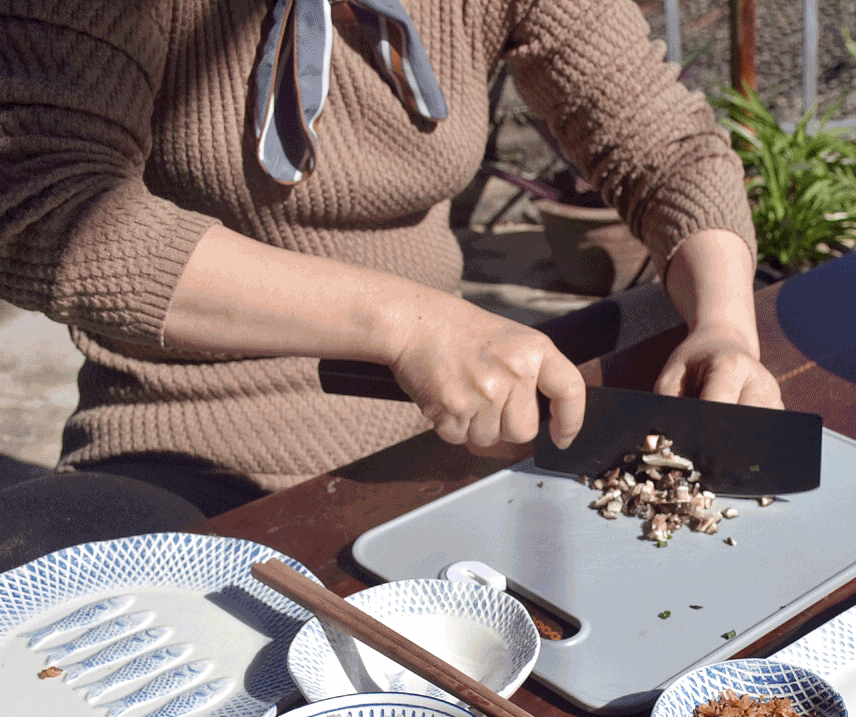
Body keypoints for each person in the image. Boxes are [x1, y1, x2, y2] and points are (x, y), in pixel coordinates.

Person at [0, 0, 781, 517]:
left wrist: (725, 330)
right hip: (193, 441)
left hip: (449, 422)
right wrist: (406, 326)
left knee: (682, 335)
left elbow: (667, 145)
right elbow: (44, 204)